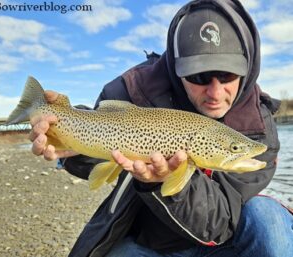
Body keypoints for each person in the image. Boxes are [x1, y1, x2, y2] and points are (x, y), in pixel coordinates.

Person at [29, 0, 293, 256]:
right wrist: (61, 135)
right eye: (199, 76)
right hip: (147, 241)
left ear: (246, 69)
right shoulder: (130, 89)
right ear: (178, 69)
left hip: (224, 244)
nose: (215, 92)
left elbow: (218, 222)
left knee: (269, 218)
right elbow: (99, 136)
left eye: (226, 75)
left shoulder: (259, 126)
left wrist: (170, 182)